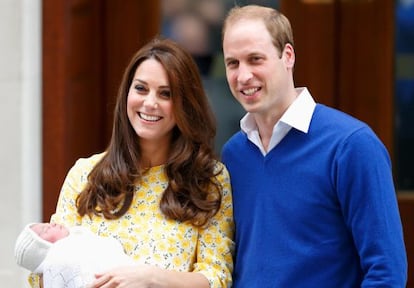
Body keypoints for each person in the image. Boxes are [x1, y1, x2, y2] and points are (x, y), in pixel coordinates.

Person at [220, 4, 407, 287]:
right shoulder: (234, 154)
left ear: (288, 56)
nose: (243, 75)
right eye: (233, 63)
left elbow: (386, 273)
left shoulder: (352, 146)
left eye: (255, 59)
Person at [28, 37, 234, 288]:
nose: (149, 103)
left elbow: (217, 277)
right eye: (141, 88)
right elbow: (46, 269)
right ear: (127, 93)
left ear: (185, 104)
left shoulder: (208, 180)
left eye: (165, 93)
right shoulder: (85, 175)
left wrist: (151, 278)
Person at [15, 222, 134, 287]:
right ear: (41, 249)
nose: (52, 224)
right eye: (45, 230)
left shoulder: (81, 237)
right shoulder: (59, 259)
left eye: (47, 223)